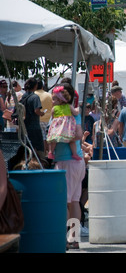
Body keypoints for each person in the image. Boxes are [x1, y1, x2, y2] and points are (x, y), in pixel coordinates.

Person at [52, 83, 85, 250]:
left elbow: (77, 135)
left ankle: (67, 238)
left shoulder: (63, 113)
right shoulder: (72, 113)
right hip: (74, 161)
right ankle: (73, 238)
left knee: (65, 202)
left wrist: (61, 137)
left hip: (67, 161)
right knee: (74, 202)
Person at [47, 85, 82, 161]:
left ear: (60, 100)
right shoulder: (68, 106)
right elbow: (75, 113)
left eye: (54, 99)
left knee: (53, 140)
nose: (52, 101)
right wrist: (78, 109)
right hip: (67, 129)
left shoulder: (54, 108)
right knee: (71, 141)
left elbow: (53, 118)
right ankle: (75, 154)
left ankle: (51, 152)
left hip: (58, 130)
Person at [20, 78, 46, 154]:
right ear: (35, 86)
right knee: (38, 149)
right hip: (34, 127)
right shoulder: (35, 97)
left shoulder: (23, 96)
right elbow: (36, 111)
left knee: (27, 149)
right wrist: (42, 113)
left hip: (24, 126)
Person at [35, 80, 53, 153]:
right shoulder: (49, 95)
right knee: (48, 138)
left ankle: (43, 152)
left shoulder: (33, 95)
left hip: (38, 120)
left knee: (42, 138)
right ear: (42, 86)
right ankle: (49, 152)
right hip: (48, 120)